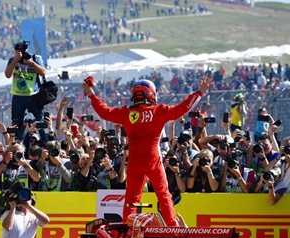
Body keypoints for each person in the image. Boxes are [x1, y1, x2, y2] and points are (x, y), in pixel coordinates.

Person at [83, 75, 213, 226]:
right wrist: (199, 93)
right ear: (151, 94)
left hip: (134, 164)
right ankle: (171, 228)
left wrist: (92, 96)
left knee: (131, 199)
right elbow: (182, 109)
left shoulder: (126, 113)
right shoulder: (159, 111)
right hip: (153, 162)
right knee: (164, 195)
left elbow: (104, 111)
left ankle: (128, 231)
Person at [4, 41, 48, 141]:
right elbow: (7, 75)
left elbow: (43, 73)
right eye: (18, 52)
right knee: (16, 123)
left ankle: (44, 142)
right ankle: (17, 143)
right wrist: (15, 61)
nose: (21, 54)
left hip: (33, 95)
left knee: (39, 121)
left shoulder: (35, 58)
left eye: (22, 52)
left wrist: (32, 63)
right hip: (18, 96)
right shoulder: (12, 60)